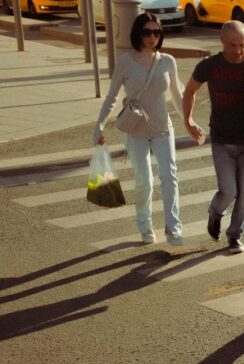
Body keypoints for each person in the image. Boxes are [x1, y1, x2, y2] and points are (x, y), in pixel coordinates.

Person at [182, 21, 244, 254]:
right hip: (221, 140)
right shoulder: (209, 66)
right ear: (221, 41)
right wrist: (187, 121)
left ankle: (235, 235)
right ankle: (215, 212)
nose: (238, 51)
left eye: (242, 45)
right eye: (232, 45)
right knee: (228, 191)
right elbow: (189, 91)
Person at [93, 13, 185, 246]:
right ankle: (145, 224)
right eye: (147, 32)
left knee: (169, 176)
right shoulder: (125, 61)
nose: (152, 37)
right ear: (138, 34)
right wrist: (99, 125)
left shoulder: (167, 61)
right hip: (136, 131)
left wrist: (189, 122)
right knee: (145, 180)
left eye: (156, 32)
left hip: (163, 128)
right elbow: (112, 96)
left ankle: (173, 228)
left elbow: (177, 96)